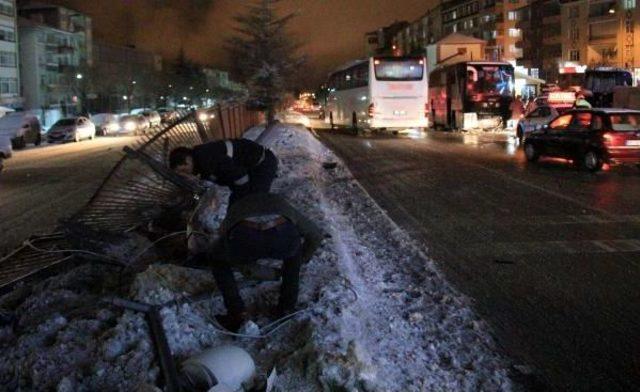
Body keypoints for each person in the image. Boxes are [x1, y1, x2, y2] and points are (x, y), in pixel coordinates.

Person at [189, 192, 324, 332]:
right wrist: (303, 258)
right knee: (294, 253)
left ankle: (237, 313)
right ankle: (287, 307)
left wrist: (245, 264)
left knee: (217, 258)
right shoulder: (283, 205)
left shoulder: (237, 206)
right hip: (282, 238)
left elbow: (222, 237)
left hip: (246, 238)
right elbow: (315, 235)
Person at [169, 139, 278, 205]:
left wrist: (238, 202)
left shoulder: (207, 159)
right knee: (245, 203)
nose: (186, 174)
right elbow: (228, 178)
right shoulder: (201, 160)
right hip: (252, 166)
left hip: (263, 164)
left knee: (256, 201)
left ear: (188, 159)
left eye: (184, 170)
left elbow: (241, 179)